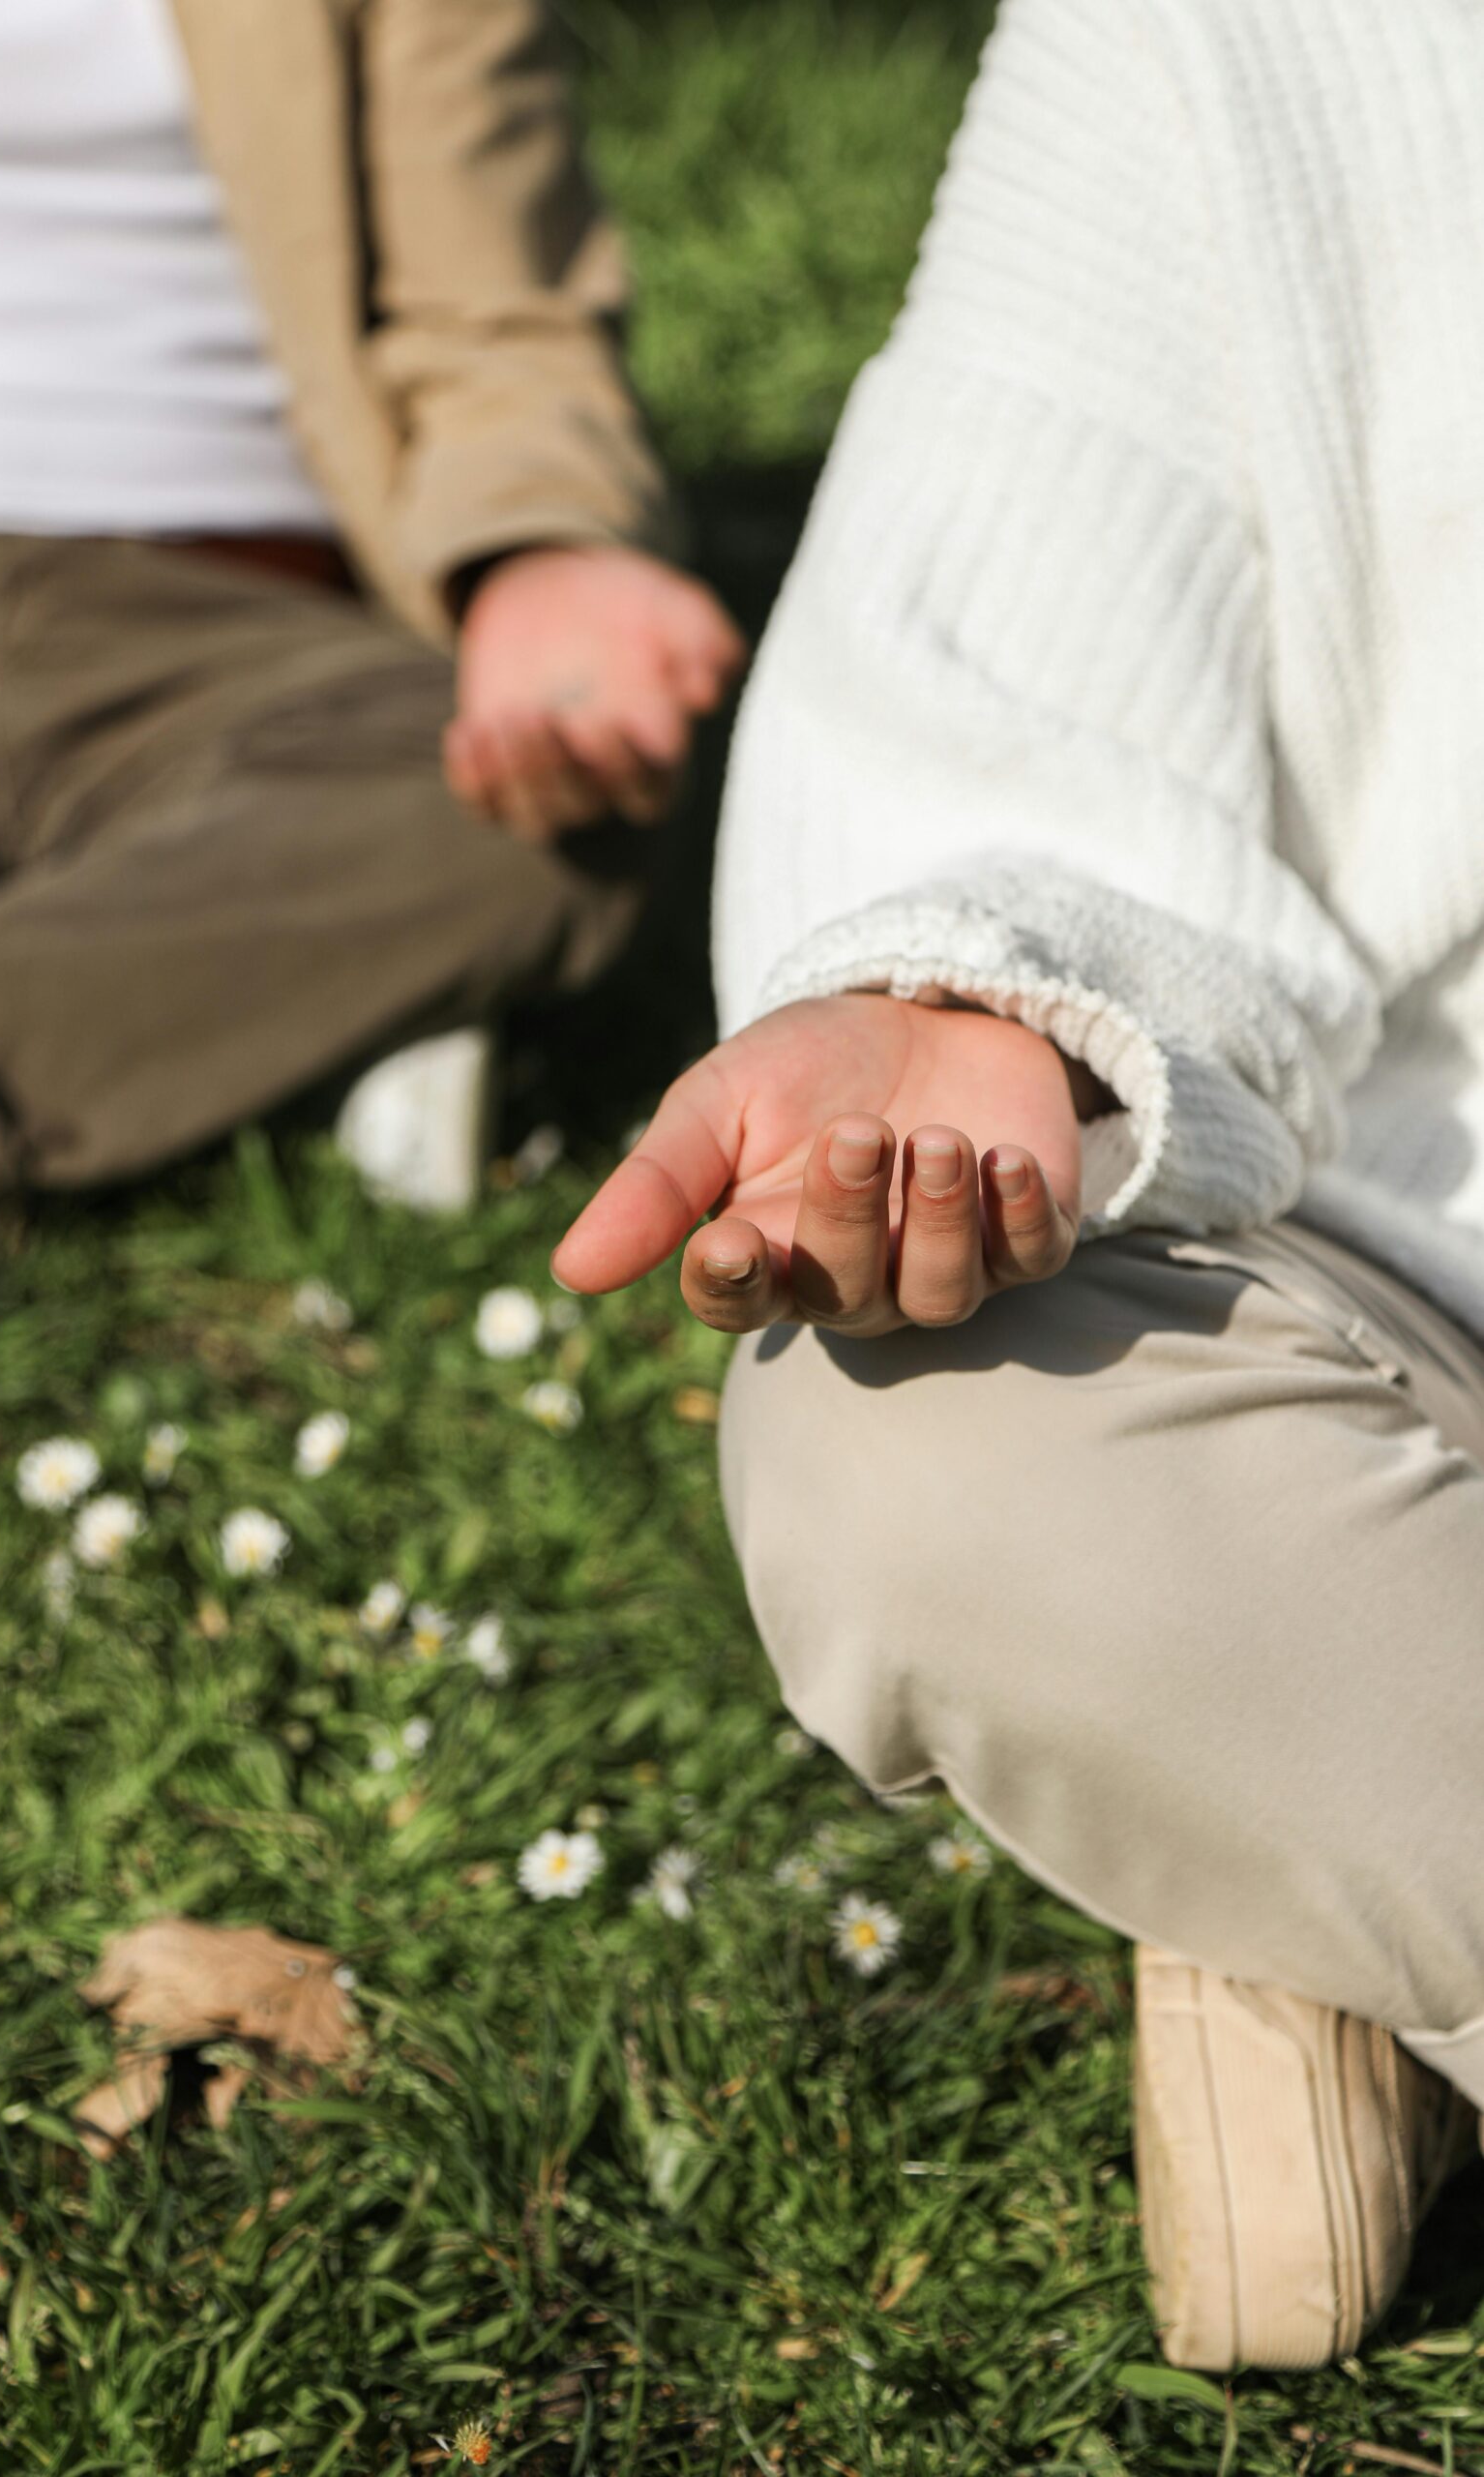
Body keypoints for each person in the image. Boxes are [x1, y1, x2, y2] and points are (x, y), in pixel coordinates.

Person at [555, 0, 1484, 2376]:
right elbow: (1025, 678)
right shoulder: (1225, 36)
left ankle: (1314, 1833)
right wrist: (998, 1011)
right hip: (1424, 1270)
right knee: (925, 1425)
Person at [0, 0, 744, 1211]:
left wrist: (540, 553)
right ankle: (225, 998)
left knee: (547, 802)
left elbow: (500, 307)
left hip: (228, 617)